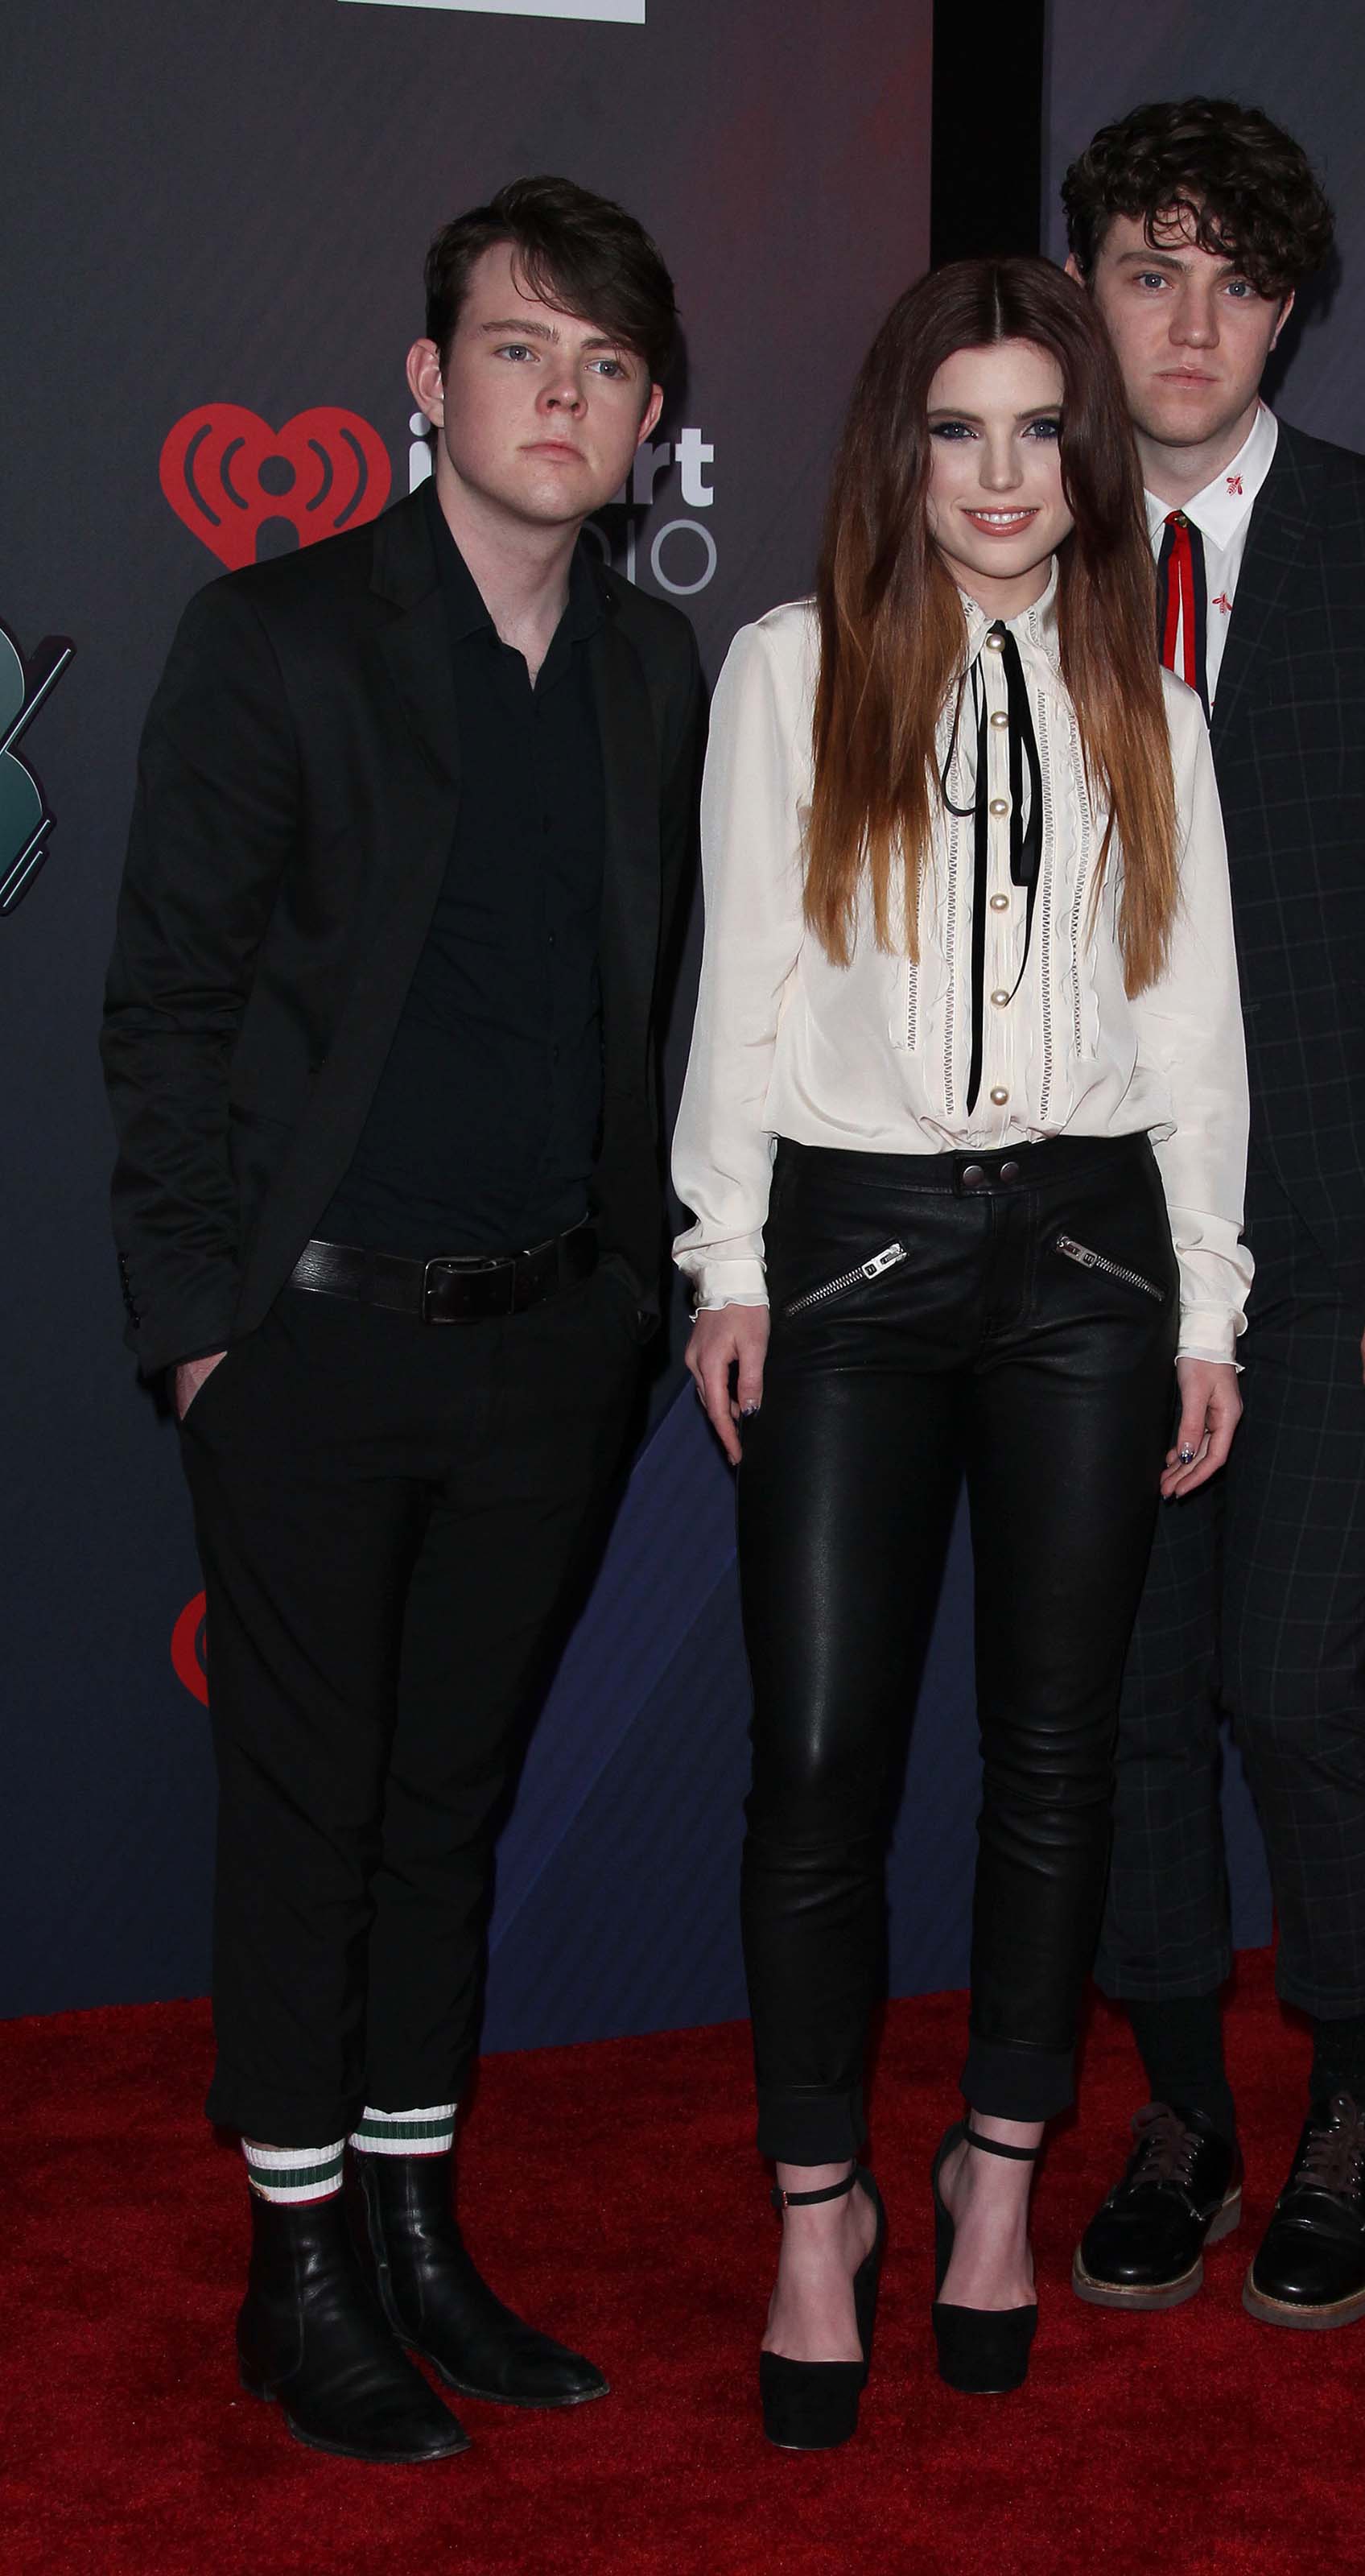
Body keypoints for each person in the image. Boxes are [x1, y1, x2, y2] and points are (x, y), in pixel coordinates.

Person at [101, 176, 702, 2462]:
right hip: (314, 1349)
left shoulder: (656, 673)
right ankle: (296, 2269)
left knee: (447, 1807)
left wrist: (637, 1297)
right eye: (523, 352)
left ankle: (419, 2223)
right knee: (308, 1817)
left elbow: (674, 1014)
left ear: (649, 418)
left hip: (553, 1347)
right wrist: (199, 1329)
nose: (565, 397)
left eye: (609, 365)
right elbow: (163, 1012)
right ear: (427, 384)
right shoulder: (275, 641)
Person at [673, 254, 1251, 2450]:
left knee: (1059, 1757)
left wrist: (1203, 1297)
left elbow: (1193, 1027)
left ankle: (992, 2174)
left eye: (1035, 430)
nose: (997, 476)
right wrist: (724, 1259)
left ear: (1081, 458)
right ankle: (818, 2210)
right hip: (851, 1258)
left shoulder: (1150, 704)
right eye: (954, 430)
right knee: (818, 1763)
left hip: (1091, 1267)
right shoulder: (786, 675)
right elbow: (736, 980)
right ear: (895, 454)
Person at [1059, 98, 1365, 2329]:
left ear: (1284, 309)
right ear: (1088, 286)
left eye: (1232, 279)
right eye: (1150, 268)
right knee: (1130, 1703)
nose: (1189, 319)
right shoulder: (1012, 544)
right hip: (1082, 1259)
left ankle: (1352, 2097)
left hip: (1341, 1257)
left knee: (1290, 1686)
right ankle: (1180, 2105)